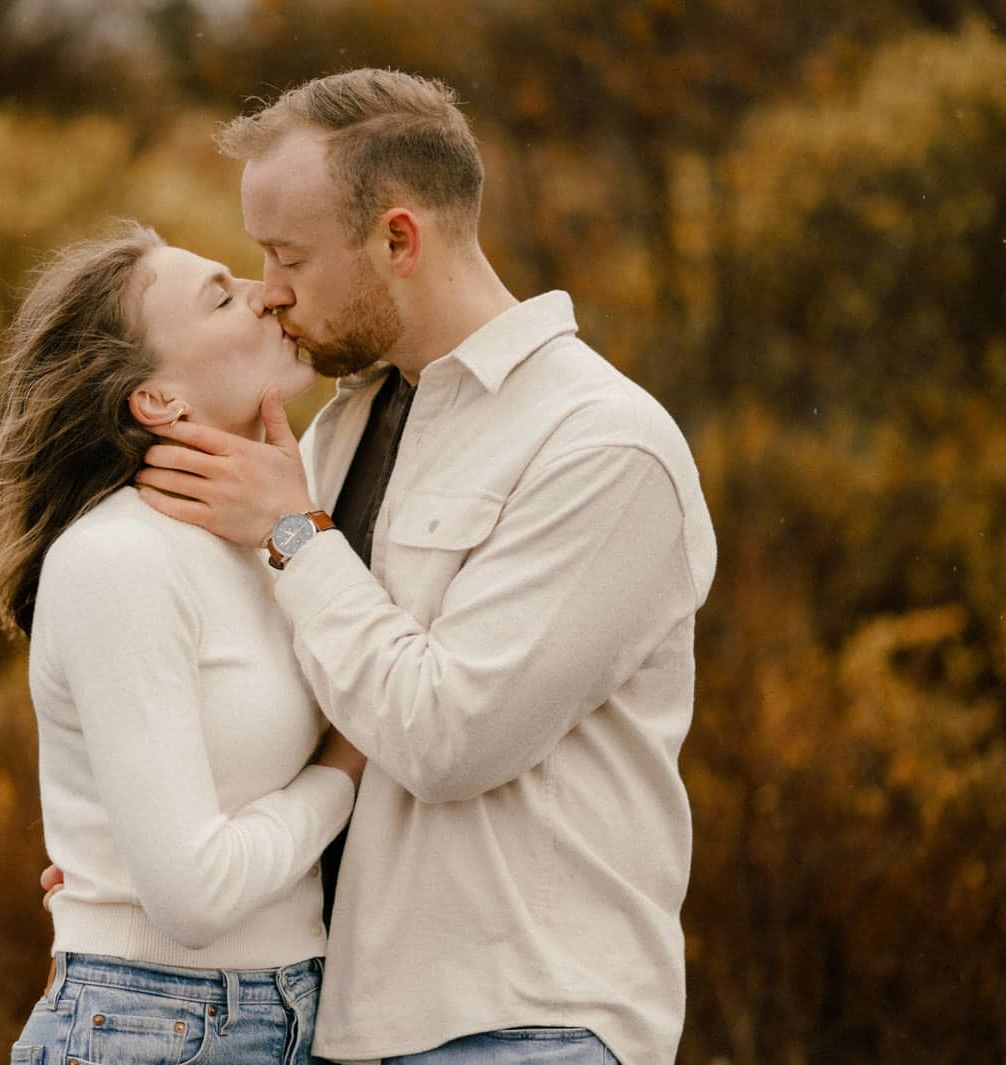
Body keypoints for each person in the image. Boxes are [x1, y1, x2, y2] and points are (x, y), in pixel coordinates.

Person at [122, 69, 719, 1065]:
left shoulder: (602, 445)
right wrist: (137, 851)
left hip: (524, 1024)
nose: (269, 290)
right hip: (342, 1017)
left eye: (288, 257)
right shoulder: (340, 427)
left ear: (398, 239)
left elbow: (449, 738)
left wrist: (295, 535)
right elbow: (310, 708)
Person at [0, 220, 366, 1065]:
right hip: (155, 1023)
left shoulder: (275, 538)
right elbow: (193, 895)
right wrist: (347, 769)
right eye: (222, 297)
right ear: (158, 401)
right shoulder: (120, 558)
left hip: (285, 1011)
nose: (266, 293)